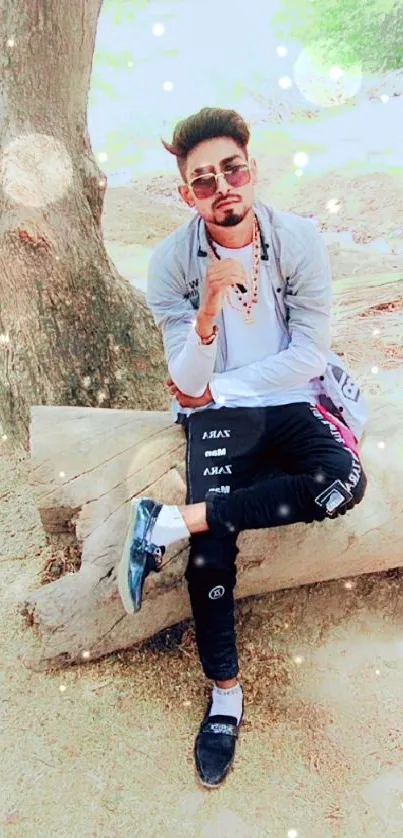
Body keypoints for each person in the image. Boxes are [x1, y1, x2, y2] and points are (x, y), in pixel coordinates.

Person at [117, 107, 368, 789]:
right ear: (187, 195)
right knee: (208, 558)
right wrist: (205, 316)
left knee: (341, 482)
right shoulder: (171, 263)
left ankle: (167, 523)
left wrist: (216, 389)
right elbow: (186, 384)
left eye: (232, 169)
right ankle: (225, 694)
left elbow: (306, 356)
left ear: (251, 171)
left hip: (284, 402)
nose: (221, 185)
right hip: (217, 418)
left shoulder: (299, 240)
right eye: (203, 181)